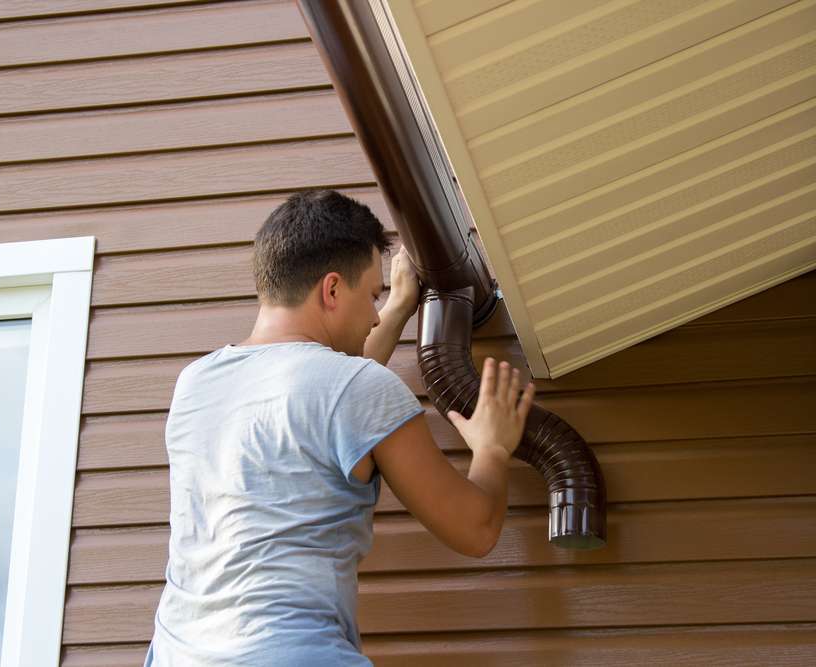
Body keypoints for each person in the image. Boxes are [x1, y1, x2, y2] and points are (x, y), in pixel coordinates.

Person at [144, 189, 535, 666]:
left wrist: (397, 308)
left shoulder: (196, 383)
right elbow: (475, 531)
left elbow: (319, 397)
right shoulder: (357, 387)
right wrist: (493, 448)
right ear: (332, 290)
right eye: (372, 295)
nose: (374, 314)